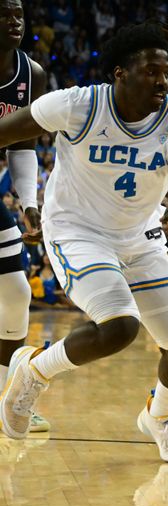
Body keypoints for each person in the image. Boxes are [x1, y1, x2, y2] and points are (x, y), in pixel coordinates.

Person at [0, 22, 168, 463]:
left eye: (166, 73)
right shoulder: (77, 105)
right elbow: (6, 132)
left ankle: (159, 418)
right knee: (120, 326)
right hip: (78, 232)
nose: (162, 82)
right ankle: (35, 372)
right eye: (151, 72)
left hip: (141, 238)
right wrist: (26, 197)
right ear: (120, 73)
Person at [0, 0, 49, 432]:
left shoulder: (31, 74)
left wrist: (28, 203)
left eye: (18, 13)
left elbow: (23, 147)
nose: (14, 21)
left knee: (16, 291)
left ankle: (4, 399)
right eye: (4, 13)